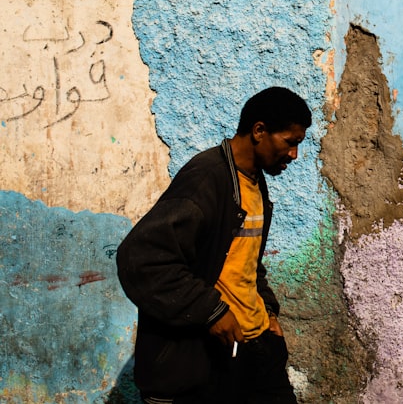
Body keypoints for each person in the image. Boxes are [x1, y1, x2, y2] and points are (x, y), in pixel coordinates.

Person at [117, 86, 311, 404]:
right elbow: (141, 257)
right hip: (208, 360)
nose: (293, 155)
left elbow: (245, 260)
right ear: (259, 131)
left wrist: (269, 312)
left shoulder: (253, 181)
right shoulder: (206, 179)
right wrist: (212, 312)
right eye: (289, 143)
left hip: (257, 350)